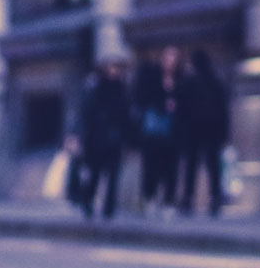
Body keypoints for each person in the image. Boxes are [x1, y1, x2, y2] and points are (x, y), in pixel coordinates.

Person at [77, 55, 133, 219]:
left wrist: (127, 138)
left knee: (113, 175)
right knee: (94, 173)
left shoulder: (122, 90)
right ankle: (88, 201)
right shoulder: (95, 88)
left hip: (115, 139)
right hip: (96, 140)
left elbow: (126, 116)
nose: (114, 71)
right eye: (111, 68)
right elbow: (87, 114)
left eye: (116, 68)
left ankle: (109, 208)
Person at [177, 49, 230, 217]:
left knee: (193, 165)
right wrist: (224, 132)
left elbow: (182, 109)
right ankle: (214, 197)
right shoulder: (215, 82)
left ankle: (188, 198)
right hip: (212, 129)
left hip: (194, 129)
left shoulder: (190, 82)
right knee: (212, 165)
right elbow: (223, 110)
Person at [134, 46, 183, 216]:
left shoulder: (180, 79)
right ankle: (150, 198)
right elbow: (142, 97)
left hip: (173, 129)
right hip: (154, 129)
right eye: (168, 57)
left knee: (171, 167)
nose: (171, 62)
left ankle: (169, 201)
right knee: (151, 166)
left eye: (174, 58)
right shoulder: (152, 77)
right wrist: (163, 103)